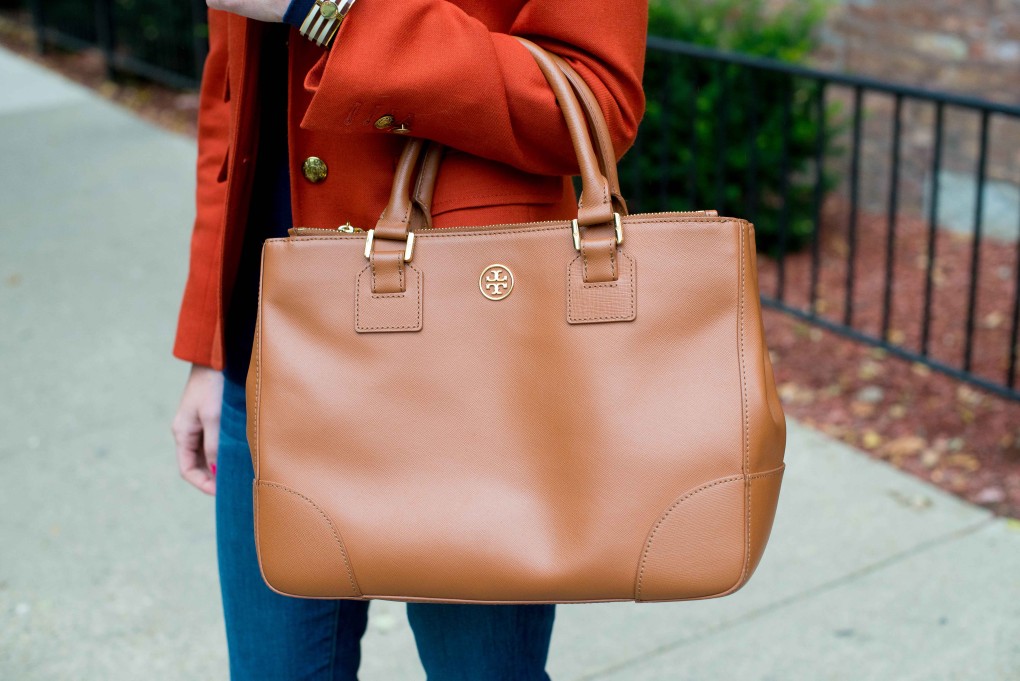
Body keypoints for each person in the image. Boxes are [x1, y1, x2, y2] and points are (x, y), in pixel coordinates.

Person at [170, 0, 647, 678]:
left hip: (474, 362)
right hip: (276, 352)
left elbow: (595, 99)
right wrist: (209, 345)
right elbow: (229, 99)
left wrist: (327, 9)